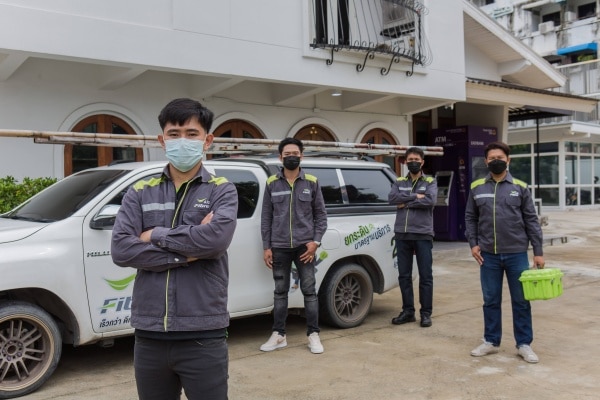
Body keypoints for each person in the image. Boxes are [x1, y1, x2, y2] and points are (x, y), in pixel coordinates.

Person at [111, 98, 238, 400]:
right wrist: (189, 251)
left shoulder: (222, 189)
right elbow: (121, 249)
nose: (183, 141)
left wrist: (153, 234)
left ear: (207, 140)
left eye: (191, 134)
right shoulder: (139, 192)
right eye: (174, 133)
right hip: (150, 334)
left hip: (203, 332)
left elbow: (215, 241)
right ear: (162, 140)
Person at [465, 141, 544, 364]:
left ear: (508, 160)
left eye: (500, 157)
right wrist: (473, 243)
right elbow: (470, 217)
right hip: (488, 254)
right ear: (486, 161)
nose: (496, 161)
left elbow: (531, 220)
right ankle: (491, 341)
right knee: (490, 299)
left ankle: (524, 344)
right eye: (492, 158)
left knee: (521, 301)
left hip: (516, 253)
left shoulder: (520, 187)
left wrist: (538, 251)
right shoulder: (477, 187)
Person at [260, 137, 328, 354]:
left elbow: (321, 216)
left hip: (305, 247)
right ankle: (279, 335)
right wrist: (267, 246)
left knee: (309, 291)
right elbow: (266, 217)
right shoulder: (272, 183)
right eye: (287, 154)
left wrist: (315, 242)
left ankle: (313, 334)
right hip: (279, 246)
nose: (291, 157)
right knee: (280, 292)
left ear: (301, 156)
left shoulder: (312, 182)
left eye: (295, 154)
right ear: (280, 157)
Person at [388, 147, 437, 328]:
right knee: (404, 275)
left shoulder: (430, 181)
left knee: (426, 276)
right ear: (405, 162)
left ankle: (426, 313)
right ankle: (408, 311)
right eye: (410, 160)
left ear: (422, 162)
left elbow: (430, 201)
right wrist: (416, 196)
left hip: (423, 233)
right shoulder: (399, 181)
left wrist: (406, 202)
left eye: (416, 159)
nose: (413, 162)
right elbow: (392, 199)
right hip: (402, 234)